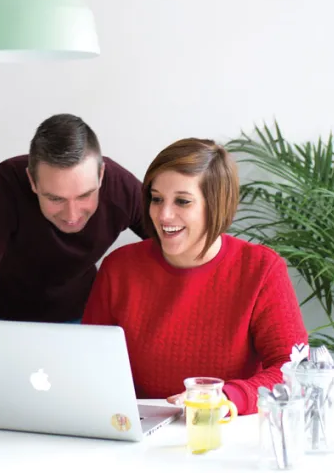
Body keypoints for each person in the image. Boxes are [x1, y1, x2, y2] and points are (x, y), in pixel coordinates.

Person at [0, 113, 147, 427]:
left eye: (85, 195)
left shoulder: (121, 188)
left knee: (77, 419)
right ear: (32, 182)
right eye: (55, 198)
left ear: (101, 175)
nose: (72, 214)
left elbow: (176, 244)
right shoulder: (5, 185)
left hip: (77, 322)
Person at [82, 138, 308, 415]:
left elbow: (293, 369)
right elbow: (88, 363)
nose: (164, 215)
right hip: (137, 427)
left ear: (216, 205)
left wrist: (227, 397)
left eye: (182, 201)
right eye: (156, 199)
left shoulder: (261, 268)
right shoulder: (119, 268)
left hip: (224, 428)